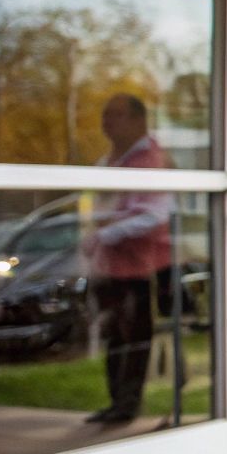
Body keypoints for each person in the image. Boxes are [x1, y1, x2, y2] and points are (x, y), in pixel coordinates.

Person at [84, 93, 175, 424]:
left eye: (115, 115)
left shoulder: (151, 159)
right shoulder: (111, 159)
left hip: (143, 267)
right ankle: (116, 403)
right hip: (111, 265)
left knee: (134, 338)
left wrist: (104, 234)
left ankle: (128, 403)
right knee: (114, 335)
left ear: (138, 120)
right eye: (105, 115)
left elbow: (155, 214)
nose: (106, 122)